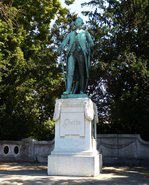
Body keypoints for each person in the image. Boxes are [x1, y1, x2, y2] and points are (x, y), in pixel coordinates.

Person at [59, 17, 94, 95]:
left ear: (82, 23)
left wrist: (88, 47)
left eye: (79, 21)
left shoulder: (85, 33)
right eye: (76, 21)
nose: (77, 22)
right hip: (72, 53)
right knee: (69, 72)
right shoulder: (71, 34)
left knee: (82, 73)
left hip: (81, 54)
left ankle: (82, 91)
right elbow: (64, 42)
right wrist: (60, 47)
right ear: (75, 23)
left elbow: (91, 43)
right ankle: (68, 90)